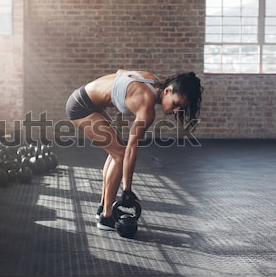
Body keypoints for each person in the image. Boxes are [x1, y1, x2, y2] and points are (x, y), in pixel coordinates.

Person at [65, 69, 203, 231]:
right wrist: (127, 190)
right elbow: (131, 150)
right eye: (176, 104)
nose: (175, 111)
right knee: (120, 154)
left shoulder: (151, 79)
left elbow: (120, 72)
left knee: (116, 150)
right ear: (168, 91)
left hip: (87, 101)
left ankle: (103, 207)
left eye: (180, 109)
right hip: (81, 107)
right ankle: (106, 217)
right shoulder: (146, 106)